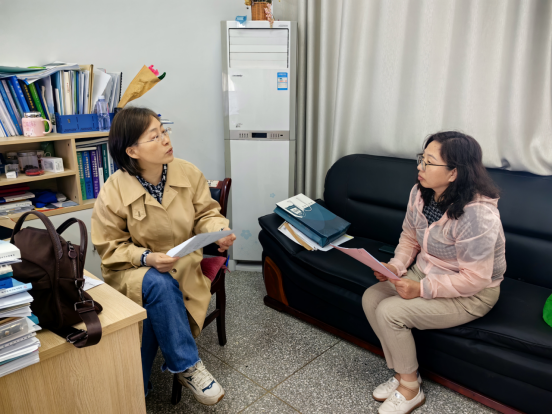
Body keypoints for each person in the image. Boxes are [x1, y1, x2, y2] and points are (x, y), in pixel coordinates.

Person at [91, 107, 236, 405]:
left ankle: (135, 393)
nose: (166, 139)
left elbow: (207, 214)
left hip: (182, 265)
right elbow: (109, 247)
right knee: (157, 283)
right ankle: (186, 366)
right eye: (154, 136)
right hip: (131, 270)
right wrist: (147, 257)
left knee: (153, 307)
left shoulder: (188, 172)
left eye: (164, 131)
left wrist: (219, 230)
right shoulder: (113, 190)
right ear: (132, 151)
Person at [362, 131, 506, 414]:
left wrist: (421, 289)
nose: (420, 167)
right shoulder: (420, 193)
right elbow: (410, 237)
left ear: (454, 173)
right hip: (426, 271)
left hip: (473, 293)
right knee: (371, 298)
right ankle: (405, 374)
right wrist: (395, 266)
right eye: (421, 158)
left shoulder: (477, 215)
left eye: (429, 162)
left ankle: (410, 390)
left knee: (390, 312)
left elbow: (475, 279)